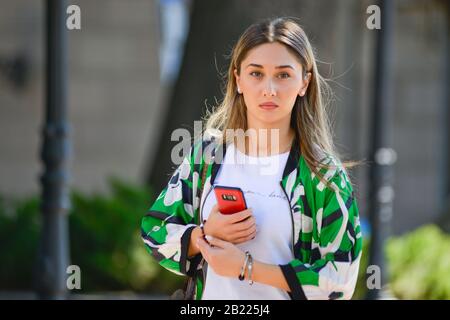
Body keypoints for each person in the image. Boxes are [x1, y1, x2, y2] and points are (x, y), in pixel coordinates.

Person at [141, 17, 362, 300]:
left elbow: (339, 280)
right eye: (256, 73)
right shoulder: (208, 155)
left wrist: (247, 267)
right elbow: (154, 232)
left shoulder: (323, 176)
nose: (269, 89)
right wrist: (204, 235)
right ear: (238, 79)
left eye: (283, 75)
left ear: (304, 82)